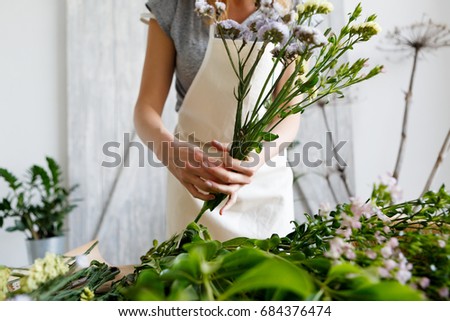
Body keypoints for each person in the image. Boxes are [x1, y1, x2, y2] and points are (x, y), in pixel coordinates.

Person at [134, 0, 300, 240]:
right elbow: (145, 108)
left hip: (263, 180)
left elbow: (289, 112)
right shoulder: (174, 8)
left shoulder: (289, 11)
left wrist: (253, 160)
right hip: (194, 182)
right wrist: (170, 152)